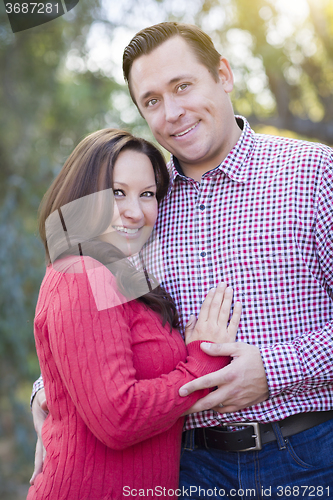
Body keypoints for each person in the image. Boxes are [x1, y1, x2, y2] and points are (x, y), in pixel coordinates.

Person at [31, 22, 333, 497]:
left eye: (183, 86)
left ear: (224, 76)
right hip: (183, 469)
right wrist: (47, 389)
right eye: (151, 101)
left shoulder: (314, 174)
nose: (172, 112)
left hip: (306, 455)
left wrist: (275, 371)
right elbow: (95, 324)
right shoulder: (139, 207)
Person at [27, 128, 242, 499]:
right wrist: (199, 366)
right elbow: (118, 418)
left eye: (147, 195)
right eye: (117, 193)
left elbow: (90, 372)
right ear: (81, 196)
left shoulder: (119, 275)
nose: (135, 211)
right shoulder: (82, 274)